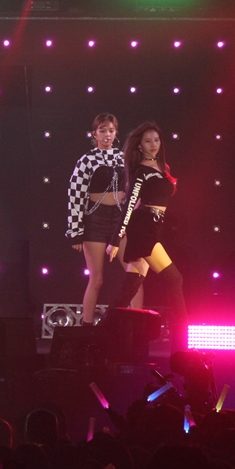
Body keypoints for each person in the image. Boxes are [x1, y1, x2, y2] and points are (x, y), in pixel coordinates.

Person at [106, 121, 187, 351]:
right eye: (148, 141)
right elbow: (130, 204)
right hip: (144, 230)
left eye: (156, 140)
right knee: (175, 279)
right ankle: (184, 340)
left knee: (129, 288)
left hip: (152, 227)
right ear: (139, 145)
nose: (153, 144)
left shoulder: (161, 167)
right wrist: (115, 239)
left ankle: (102, 336)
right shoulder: (141, 170)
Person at [66, 113, 143, 325]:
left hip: (120, 218)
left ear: (116, 133)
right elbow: (75, 195)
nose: (107, 135)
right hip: (95, 219)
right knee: (97, 279)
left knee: (135, 273)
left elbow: (135, 187)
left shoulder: (123, 158)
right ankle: (87, 327)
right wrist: (75, 231)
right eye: (102, 131)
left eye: (111, 130)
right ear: (94, 134)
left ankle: (138, 326)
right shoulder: (87, 160)